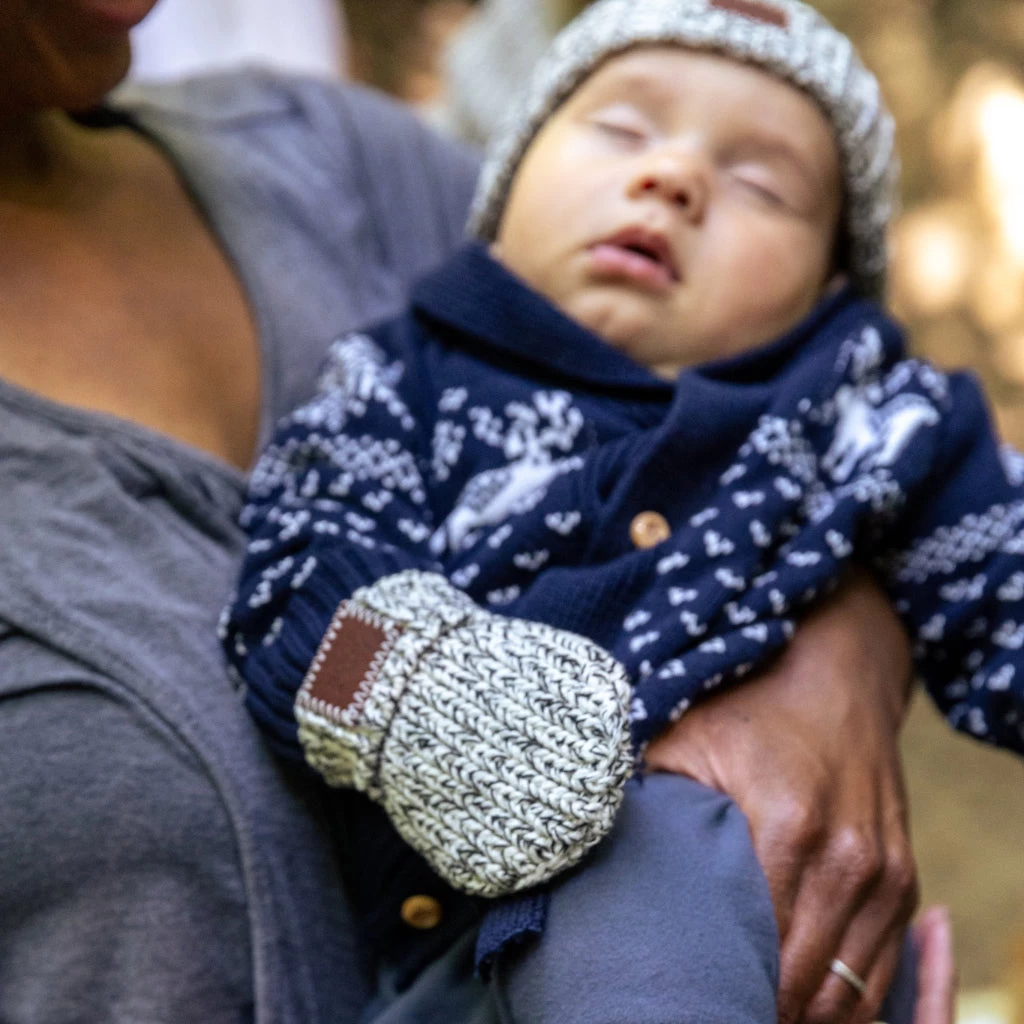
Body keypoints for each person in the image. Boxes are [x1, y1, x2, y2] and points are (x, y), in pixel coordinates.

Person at [0, 0, 947, 1022]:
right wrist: (430, 697)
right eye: (625, 131)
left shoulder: (333, 158)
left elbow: (963, 531)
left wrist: (842, 639)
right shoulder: (406, 376)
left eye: (762, 183)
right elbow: (305, 602)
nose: (668, 177)